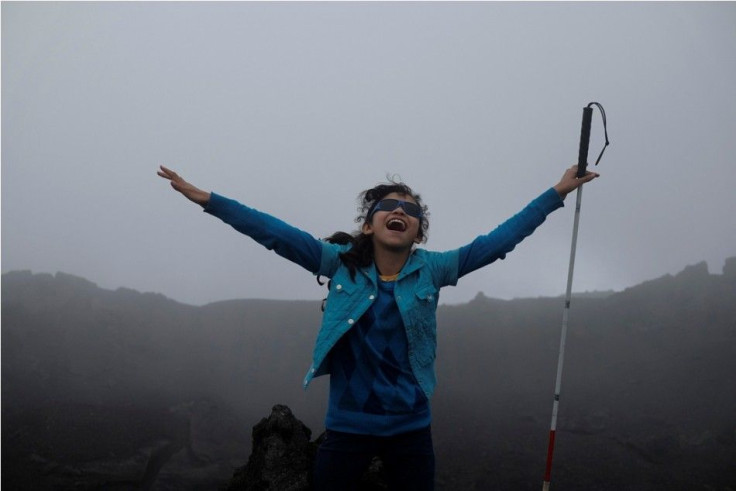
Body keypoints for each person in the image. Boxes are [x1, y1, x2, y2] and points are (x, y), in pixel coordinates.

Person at [157, 164, 598, 490]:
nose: (400, 211)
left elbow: (498, 241)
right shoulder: (339, 264)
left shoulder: (435, 269)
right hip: (348, 426)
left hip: (411, 428)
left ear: (418, 232)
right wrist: (211, 202)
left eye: (411, 210)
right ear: (368, 224)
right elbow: (277, 233)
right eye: (388, 206)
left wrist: (557, 191)